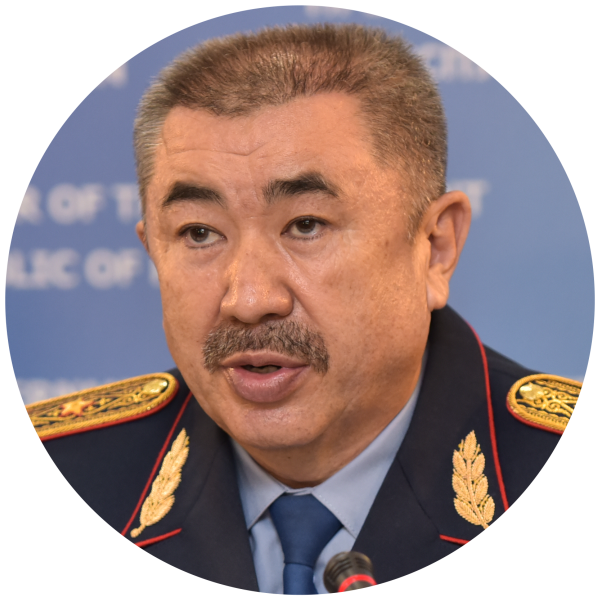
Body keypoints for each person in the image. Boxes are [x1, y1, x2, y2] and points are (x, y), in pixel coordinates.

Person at [25, 24, 579, 593]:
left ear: (436, 248)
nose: (248, 301)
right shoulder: (73, 466)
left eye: (306, 225)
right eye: (198, 233)